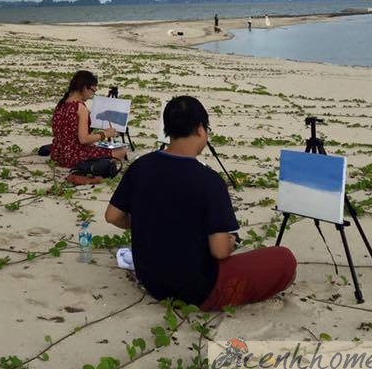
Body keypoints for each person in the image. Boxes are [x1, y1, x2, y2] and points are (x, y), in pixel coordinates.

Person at [105, 96, 296, 311]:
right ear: (200, 129)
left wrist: (148, 222)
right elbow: (220, 251)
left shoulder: (140, 166)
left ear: (168, 129)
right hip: (197, 290)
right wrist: (231, 242)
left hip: (150, 279)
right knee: (284, 259)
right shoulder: (209, 181)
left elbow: (112, 216)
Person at [51, 70, 126, 168]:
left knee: (94, 144)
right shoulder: (80, 107)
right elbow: (83, 139)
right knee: (121, 151)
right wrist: (105, 134)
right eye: (93, 91)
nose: (92, 95)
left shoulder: (62, 104)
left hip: (58, 154)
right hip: (73, 156)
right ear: (85, 88)